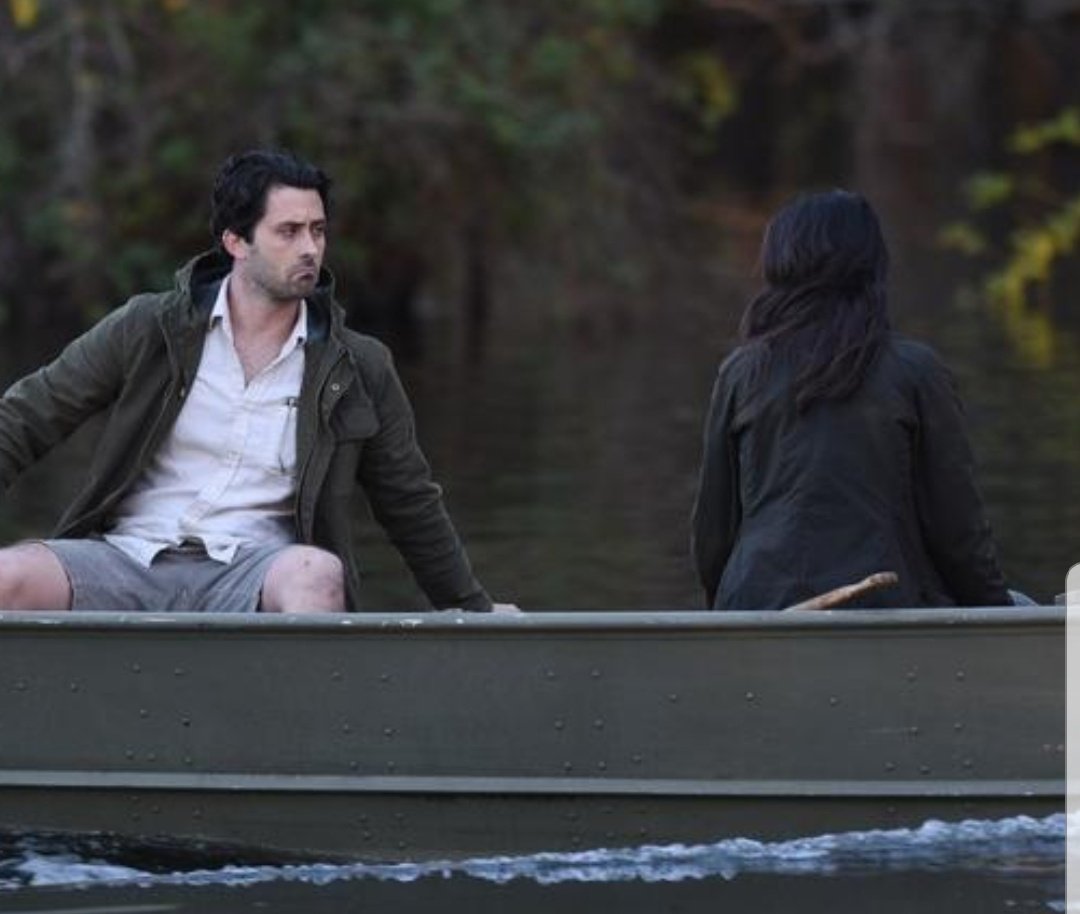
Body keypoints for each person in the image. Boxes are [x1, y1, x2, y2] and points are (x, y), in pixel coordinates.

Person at [0, 149, 498, 614]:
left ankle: (296, 685)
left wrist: (474, 611)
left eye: (318, 231)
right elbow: (25, 419)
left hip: (256, 571)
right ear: (235, 242)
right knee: (7, 575)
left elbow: (408, 501)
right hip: (126, 555)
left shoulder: (359, 366)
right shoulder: (149, 328)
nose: (310, 248)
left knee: (318, 575)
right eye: (289, 232)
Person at [691, 188, 1011, 611]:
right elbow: (957, 532)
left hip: (755, 606)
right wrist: (998, 612)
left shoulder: (740, 372)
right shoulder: (915, 371)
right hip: (883, 607)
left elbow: (712, 534)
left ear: (780, 265)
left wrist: (725, 617)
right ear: (871, 267)